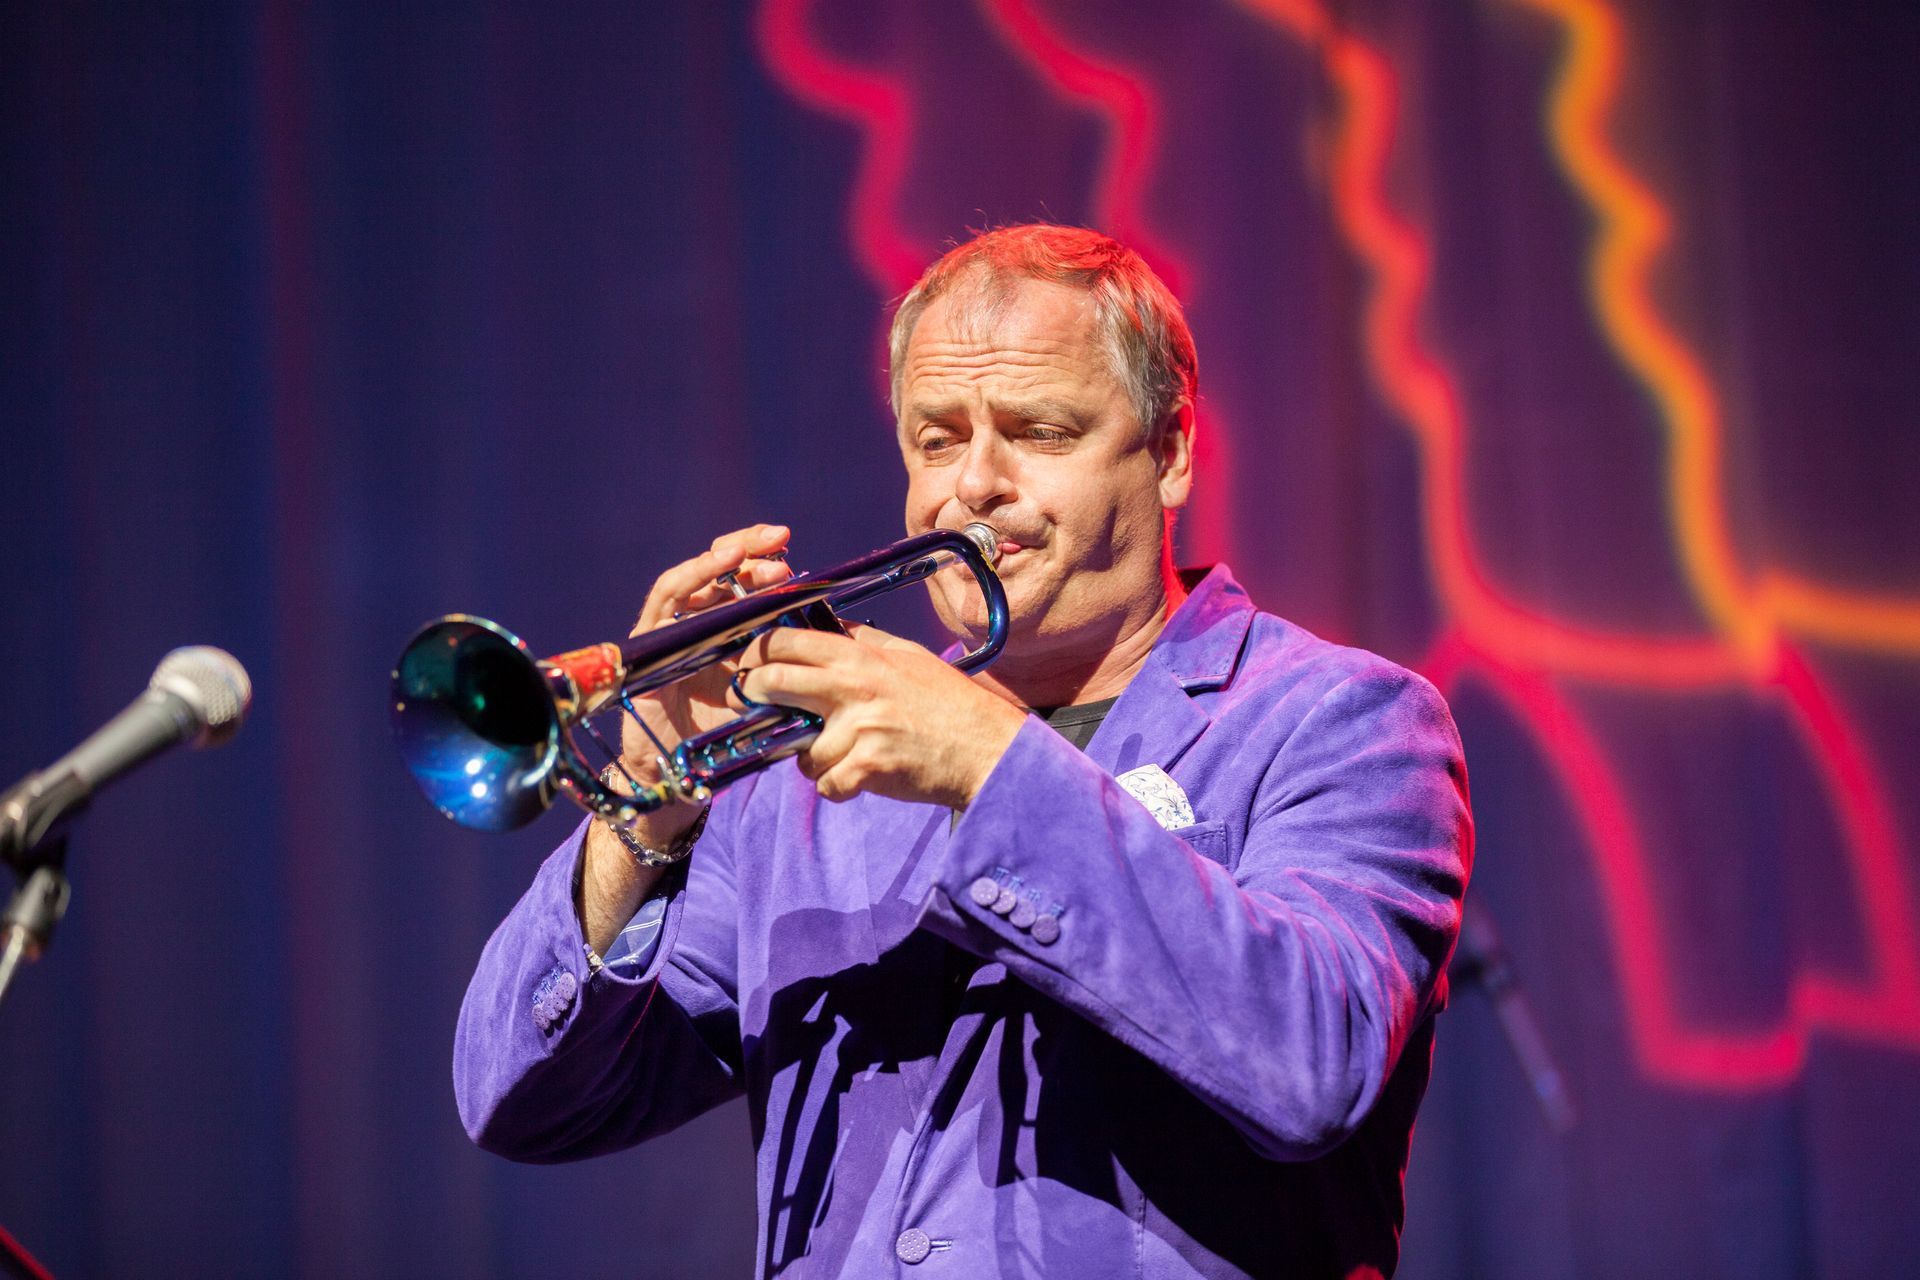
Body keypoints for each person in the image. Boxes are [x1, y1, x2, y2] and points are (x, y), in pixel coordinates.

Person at [454, 224, 1472, 1279]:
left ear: (1170, 454)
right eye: (937, 438)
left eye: (1035, 429)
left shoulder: (1342, 721)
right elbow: (523, 1100)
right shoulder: (803, 785)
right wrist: (644, 801)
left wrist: (995, 764)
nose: (972, 486)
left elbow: (1311, 1061)